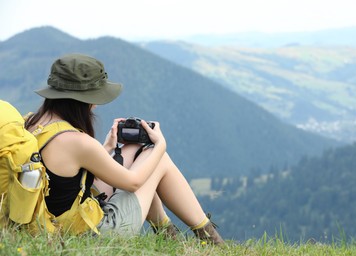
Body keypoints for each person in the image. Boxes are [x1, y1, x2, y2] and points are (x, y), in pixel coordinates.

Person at [24, 53, 224, 245]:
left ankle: (170, 235)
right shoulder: (78, 142)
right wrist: (161, 146)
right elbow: (134, 183)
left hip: (53, 222)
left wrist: (106, 148)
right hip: (93, 234)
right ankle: (210, 240)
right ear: (83, 101)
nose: (95, 106)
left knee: (134, 150)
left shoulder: (33, 123)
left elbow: (64, 181)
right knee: (157, 160)